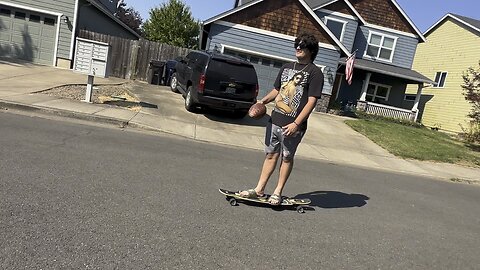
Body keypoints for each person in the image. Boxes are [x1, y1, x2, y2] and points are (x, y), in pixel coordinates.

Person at [238, 33, 324, 205]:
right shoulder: (285, 68)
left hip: (292, 127)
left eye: (302, 45)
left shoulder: (315, 73)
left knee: (286, 157)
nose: (298, 48)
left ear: (311, 50)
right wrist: (262, 101)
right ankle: (259, 190)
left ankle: (277, 192)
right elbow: (277, 90)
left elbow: (312, 101)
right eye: (297, 45)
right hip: (274, 121)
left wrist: (296, 123)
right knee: (270, 155)